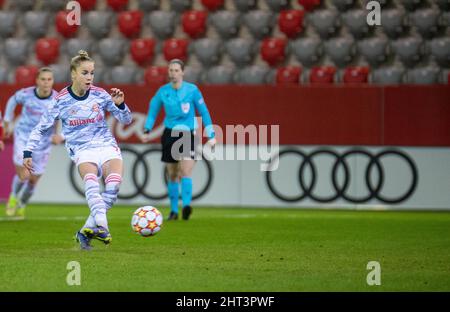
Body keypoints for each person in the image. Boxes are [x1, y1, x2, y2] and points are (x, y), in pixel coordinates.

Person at [23, 50, 132, 250]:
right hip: (82, 149)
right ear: (73, 74)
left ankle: (84, 233)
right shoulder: (61, 100)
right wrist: (28, 152)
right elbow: (41, 127)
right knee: (91, 182)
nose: (89, 77)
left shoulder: (101, 95)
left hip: (106, 145)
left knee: (113, 187)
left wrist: (121, 105)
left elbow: (125, 120)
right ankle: (103, 228)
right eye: (84, 73)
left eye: (92, 73)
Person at [141, 59, 216, 221]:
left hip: (189, 133)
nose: (173, 73)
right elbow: (153, 111)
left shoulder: (192, 90)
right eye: (171, 70)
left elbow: (204, 112)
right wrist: (147, 129)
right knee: (173, 173)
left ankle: (186, 206)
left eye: (176, 70)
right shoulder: (163, 91)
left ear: (182, 72)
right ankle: (174, 210)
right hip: (170, 134)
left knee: (185, 171)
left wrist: (211, 135)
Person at [3, 67, 63, 218]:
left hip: (43, 141)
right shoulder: (27, 94)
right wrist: (7, 121)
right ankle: (13, 197)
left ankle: (22, 203)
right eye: (43, 79)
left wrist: (59, 135)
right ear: (37, 81)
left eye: (49, 79)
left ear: (53, 81)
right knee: (24, 174)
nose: (46, 83)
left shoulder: (58, 100)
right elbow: (12, 100)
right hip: (24, 136)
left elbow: (65, 119)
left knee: (33, 181)